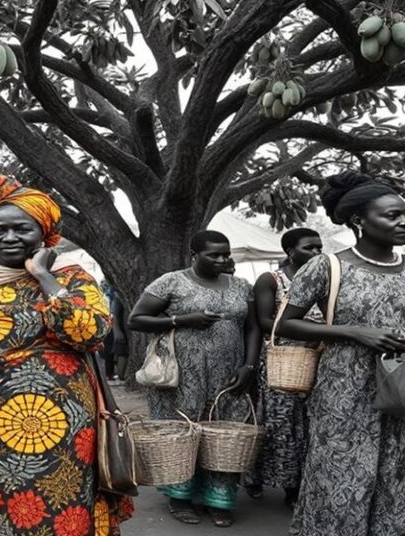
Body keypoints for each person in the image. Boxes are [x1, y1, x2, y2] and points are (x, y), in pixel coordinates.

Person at [0, 175, 133, 536]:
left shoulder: (70, 277)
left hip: (62, 420)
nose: (9, 238)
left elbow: (91, 333)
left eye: (22, 229)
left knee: (58, 504)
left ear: (43, 233)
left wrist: (43, 276)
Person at [277, 172, 405, 536]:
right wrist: (353, 332)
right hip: (344, 392)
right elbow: (286, 324)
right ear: (359, 220)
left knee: (394, 472)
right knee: (341, 473)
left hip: (400, 387)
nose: (402, 221)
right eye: (392, 215)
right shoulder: (327, 266)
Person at [128, 230, 261, 528]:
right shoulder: (171, 282)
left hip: (229, 373)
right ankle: (180, 497)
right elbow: (135, 320)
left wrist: (249, 366)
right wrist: (181, 320)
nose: (222, 259)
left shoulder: (242, 285)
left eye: (226, 254)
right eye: (214, 255)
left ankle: (219, 499)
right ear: (194, 255)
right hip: (182, 375)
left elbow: (253, 328)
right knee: (184, 431)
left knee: (224, 433)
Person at [246, 228, 322, 506]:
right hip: (281, 361)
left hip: (315, 358)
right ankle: (257, 478)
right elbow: (265, 322)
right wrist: (315, 329)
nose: (316, 253)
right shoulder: (271, 280)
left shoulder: (323, 279)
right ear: (290, 252)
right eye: (309, 248)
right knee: (276, 424)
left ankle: (296, 485)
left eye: (319, 248)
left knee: (305, 426)